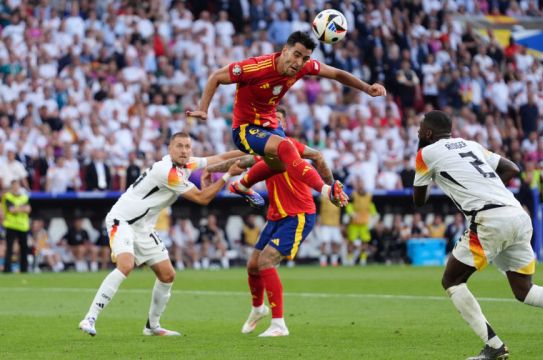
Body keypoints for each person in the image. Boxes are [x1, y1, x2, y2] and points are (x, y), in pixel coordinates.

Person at [413, 111, 543, 359]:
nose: (418, 132)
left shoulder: (425, 153)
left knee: (451, 280)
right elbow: (511, 168)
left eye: (421, 129)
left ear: (429, 133)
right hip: (517, 214)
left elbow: (419, 200)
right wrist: (487, 189)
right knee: (524, 290)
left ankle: (494, 346)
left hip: (490, 220)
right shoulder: (470, 144)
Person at [187, 31, 386, 208]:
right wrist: (203, 109)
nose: (299, 62)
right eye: (296, 55)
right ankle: (326, 191)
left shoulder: (304, 67)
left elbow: (335, 73)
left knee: (291, 161)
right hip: (245, 129)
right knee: (286, 149)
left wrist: (367, 88)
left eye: (305, 58)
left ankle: (242, 185)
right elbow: (216, 77)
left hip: (271, 125)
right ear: (285, 50)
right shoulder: (255, 67)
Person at [78, 132, 246, 337]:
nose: (184, 150)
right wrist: (228, 175)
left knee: (167, 275)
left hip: (144, 227)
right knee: (126, 265)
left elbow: (219, 158)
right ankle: (90, 317)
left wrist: (252, 150)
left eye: (187, 146)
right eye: (179, 146)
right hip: (122, 221)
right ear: (170, 149)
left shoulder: (186, 164)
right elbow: (202, 198)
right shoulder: (168, 172)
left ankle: (152, 327)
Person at [206, 115, 332, 337]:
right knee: (252, 266)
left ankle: (279, 324)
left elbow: (318, 156)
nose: (271, 125)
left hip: (298, 214)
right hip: (276, 216)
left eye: (277, 121)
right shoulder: (264, 150)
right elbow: (241, 162)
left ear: (281, 125)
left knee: (266, 262)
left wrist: (331, 187)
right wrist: (213, 168)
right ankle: (258, 309)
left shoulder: (290, 146)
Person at [2, 180, 31, 273]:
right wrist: (22, 208)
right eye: (14, 185)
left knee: (24, 248)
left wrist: (17, 208)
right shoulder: (7, 197)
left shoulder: (24, 197)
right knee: (9, 248)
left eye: (17, 185)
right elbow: (11, 209)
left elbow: (28, 209)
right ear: (11, 187)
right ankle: (7, 269)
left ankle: (24, 269)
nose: (16, 187)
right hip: (11, 225)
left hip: (23, 226)